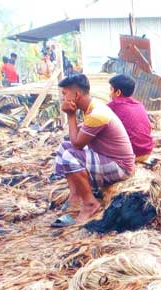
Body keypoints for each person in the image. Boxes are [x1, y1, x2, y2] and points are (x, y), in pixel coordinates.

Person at [52, 74, 135, 227]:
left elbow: (77, 144)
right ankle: (76, 195)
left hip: (120, 166)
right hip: (106, 157)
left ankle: (90, 203)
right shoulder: (90, 107)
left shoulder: (97, 114)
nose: (63, 98)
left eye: (64, 94)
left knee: (70, 155)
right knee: (63, 147)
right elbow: (74, 138)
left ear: (76, 95)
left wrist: (70, 115)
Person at [107, 74, 153, 162]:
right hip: (146, 152)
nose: (109, 94)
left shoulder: (113, 105)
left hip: (130, 155)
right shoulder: (139, 104)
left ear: (118, 92)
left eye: (111, 89)